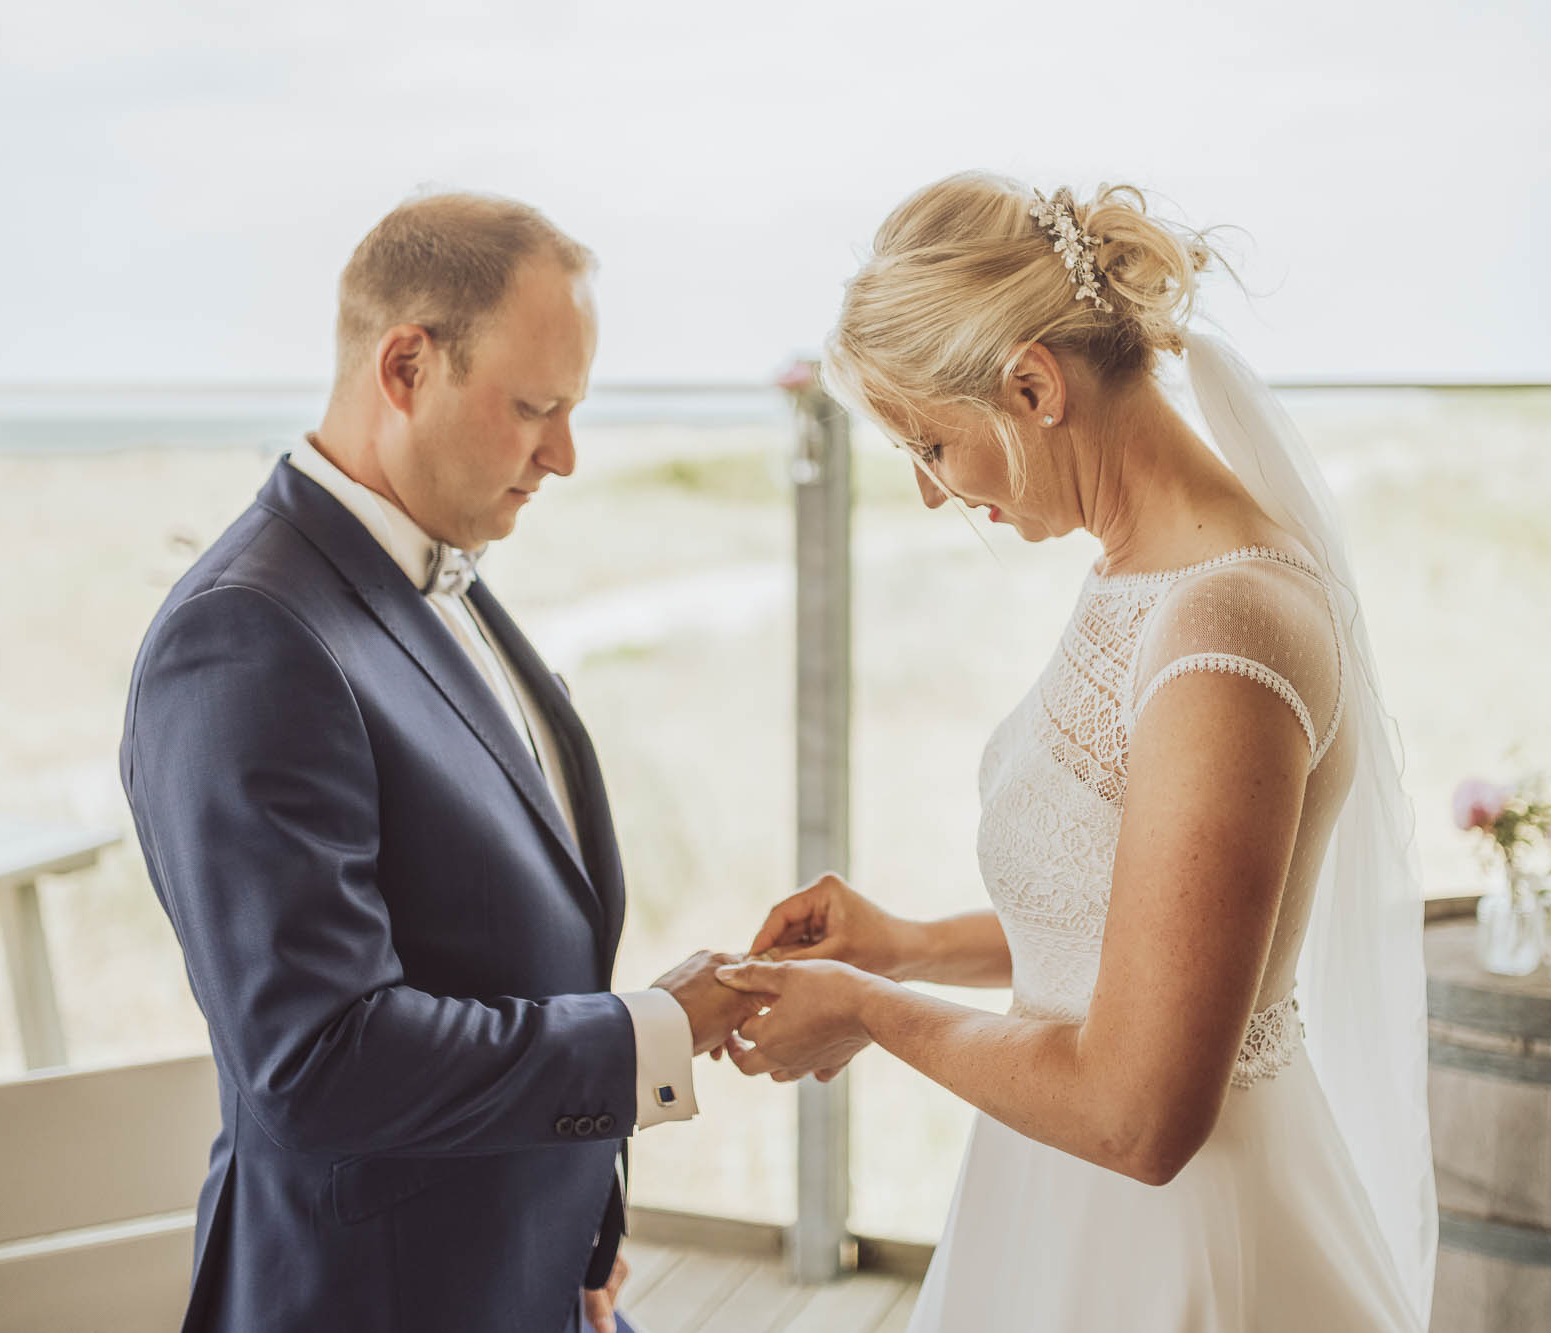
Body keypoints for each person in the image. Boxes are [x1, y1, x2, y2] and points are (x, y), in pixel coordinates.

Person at [715, 173, 1438, 1330]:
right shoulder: (1141, 577)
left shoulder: (1222, 635)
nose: (927, 489)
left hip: (1175, 1242)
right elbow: (1141, 928)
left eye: (932, 444)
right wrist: (902, 946)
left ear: (1032, 386)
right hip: (1056, 1204)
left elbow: (1137, 1115)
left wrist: (867, 1007)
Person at [119, 191, 757, 1333]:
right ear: (406, 365)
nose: (562, 454)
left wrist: (578, 1239)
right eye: (535, 408)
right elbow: (321, 1058)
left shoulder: (436, 563)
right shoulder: (248, 637)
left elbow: (503, 941)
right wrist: (655, 1030)